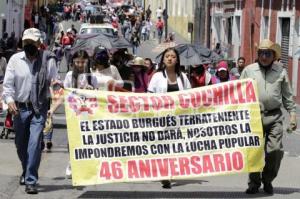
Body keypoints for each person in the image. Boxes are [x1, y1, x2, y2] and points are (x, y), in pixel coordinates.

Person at [2, 28, 58, 194]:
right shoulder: (15, 60)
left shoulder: (48, 60)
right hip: (20, 109)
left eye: (32, 42)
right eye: (26, 42)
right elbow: (8, 85)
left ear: (39, 44)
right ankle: (26, 170)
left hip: (39, 109)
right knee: (20, 145)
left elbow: (55, 82)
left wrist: (57, 97)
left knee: (34, 144)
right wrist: (10, 101)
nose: (29, 45)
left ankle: (31, 180)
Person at [240, 39, 297, 195]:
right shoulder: (248, 70)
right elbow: (238, 93)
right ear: (258, 55)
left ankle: (267, 179)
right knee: (254, 152)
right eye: (261, 53)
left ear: (274, 55)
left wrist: (292, 116)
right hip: (253, 117)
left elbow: (288, 97)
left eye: (267, 54)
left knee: (275, 151)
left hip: (274, 117)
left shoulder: (281, 72)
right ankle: (254, 182)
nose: (264, 57)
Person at [148, 47, 191, 188]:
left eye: (173, 56)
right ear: (163, 59)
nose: (170, 58)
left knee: (174, 147)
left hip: (178, 119)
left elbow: (190, 96)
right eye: (167, 56)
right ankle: (163, 173)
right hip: (160, 118)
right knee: (161, 146)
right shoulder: (157, 76)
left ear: (177, 59)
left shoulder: (183, 77)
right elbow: (149, 96)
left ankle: (169, 172)